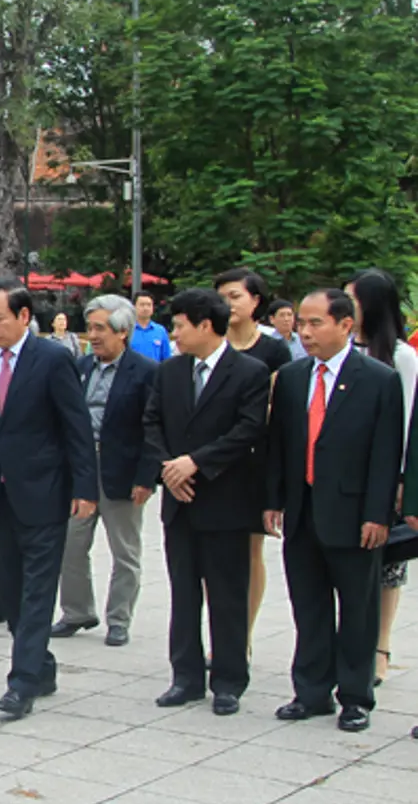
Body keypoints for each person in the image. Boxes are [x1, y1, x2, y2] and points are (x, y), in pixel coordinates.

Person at [0, 279, 98, 719]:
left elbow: (77, 430)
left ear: (23, 317)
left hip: (44, 495)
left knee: (37, 593)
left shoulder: (53, 360)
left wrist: (85, 489)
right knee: (12, 594)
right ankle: (43, 664)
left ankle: (21, 684)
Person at [266, 290, 404, 733]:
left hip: (354, 515)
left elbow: (386, 453)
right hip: (303, 511)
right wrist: (273, 500)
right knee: (309, 606)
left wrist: (378, 514)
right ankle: (311, 691)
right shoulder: (290, 377)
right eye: (301, 324)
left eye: (315, 323)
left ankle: (356, 696)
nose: (304, 332)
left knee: (358, 611)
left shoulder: (378, 379)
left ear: (346, 325)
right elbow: (279, 444)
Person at [142, 289, 270, 715]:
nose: (174, 333)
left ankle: (230, 680)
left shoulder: (249, 372)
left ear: (205, 325)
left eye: (180, 325)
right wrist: (169, 469)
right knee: (183, 592)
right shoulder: (170, 372)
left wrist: (195, 463)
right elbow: (152, 422)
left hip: (225, 498)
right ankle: (186, 677)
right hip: (180, 501)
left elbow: (249, 429)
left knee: (227, 594)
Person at [51, 295, 157, 647]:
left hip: (122, 472)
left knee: (125, 550)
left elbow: (154, 430)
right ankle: (77, 611)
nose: (92, 336)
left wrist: (146, 477)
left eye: (101, 329)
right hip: (80, 468)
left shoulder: (144, 372)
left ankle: (119, 619)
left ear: (123, 332)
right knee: (71, 542)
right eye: (90, 327)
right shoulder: (80, 367)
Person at [346, 269, 418, 687]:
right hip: (345, 473)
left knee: (388, 563)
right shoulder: (340, 350)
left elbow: (407, 422)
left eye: (352, 299)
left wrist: (403, 479)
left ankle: (381, 647)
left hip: (387, 472)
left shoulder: (401, 356)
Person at [215, 267, 292, 655]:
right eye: (223, 297)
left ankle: (241, 633)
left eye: (235, 296)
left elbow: (275, 410)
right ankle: (221, 630)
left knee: (250, 549)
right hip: (213, 459)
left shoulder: (274, 351)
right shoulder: (212, 342)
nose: (228, 304)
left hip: (253, 458)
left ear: (255, 301)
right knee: (217, 553)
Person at [130, 293, 172, 363]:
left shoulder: (160, 331)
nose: (146, 308)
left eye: (149, 305)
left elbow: (166, 358)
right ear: (134, 307)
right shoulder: (127, 330)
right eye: (142, 305)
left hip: (155, 372)